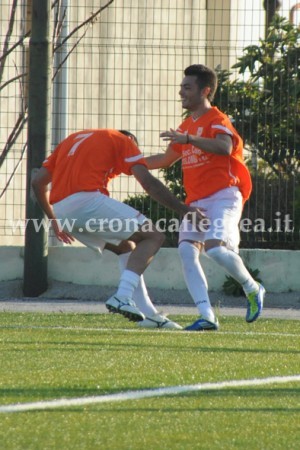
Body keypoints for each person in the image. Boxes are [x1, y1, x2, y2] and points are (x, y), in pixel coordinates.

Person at [32, 128, 205, 330]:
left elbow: (37, 182)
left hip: (62, 211)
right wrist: (184, 210)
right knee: (154, 236)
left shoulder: (72, 140)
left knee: (126, 246)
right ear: (131, 140)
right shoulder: (123, 141)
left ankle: (149, 315)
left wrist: (53, 219)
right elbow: (148, 183)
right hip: (86, 202)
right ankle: (122, 296)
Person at [145, 64, 266, 331]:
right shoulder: (186, 125)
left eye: (187, 87)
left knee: (215, 249)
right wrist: (130, 162)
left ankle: (252, 287)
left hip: (224, 195)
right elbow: (166, 160)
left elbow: (224, 147)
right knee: (187, 251)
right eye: (182, 87)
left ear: (205, 91)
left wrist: (188, 139)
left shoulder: (217, 120)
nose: (181, 92)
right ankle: (207, 316)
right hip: (196, 202)